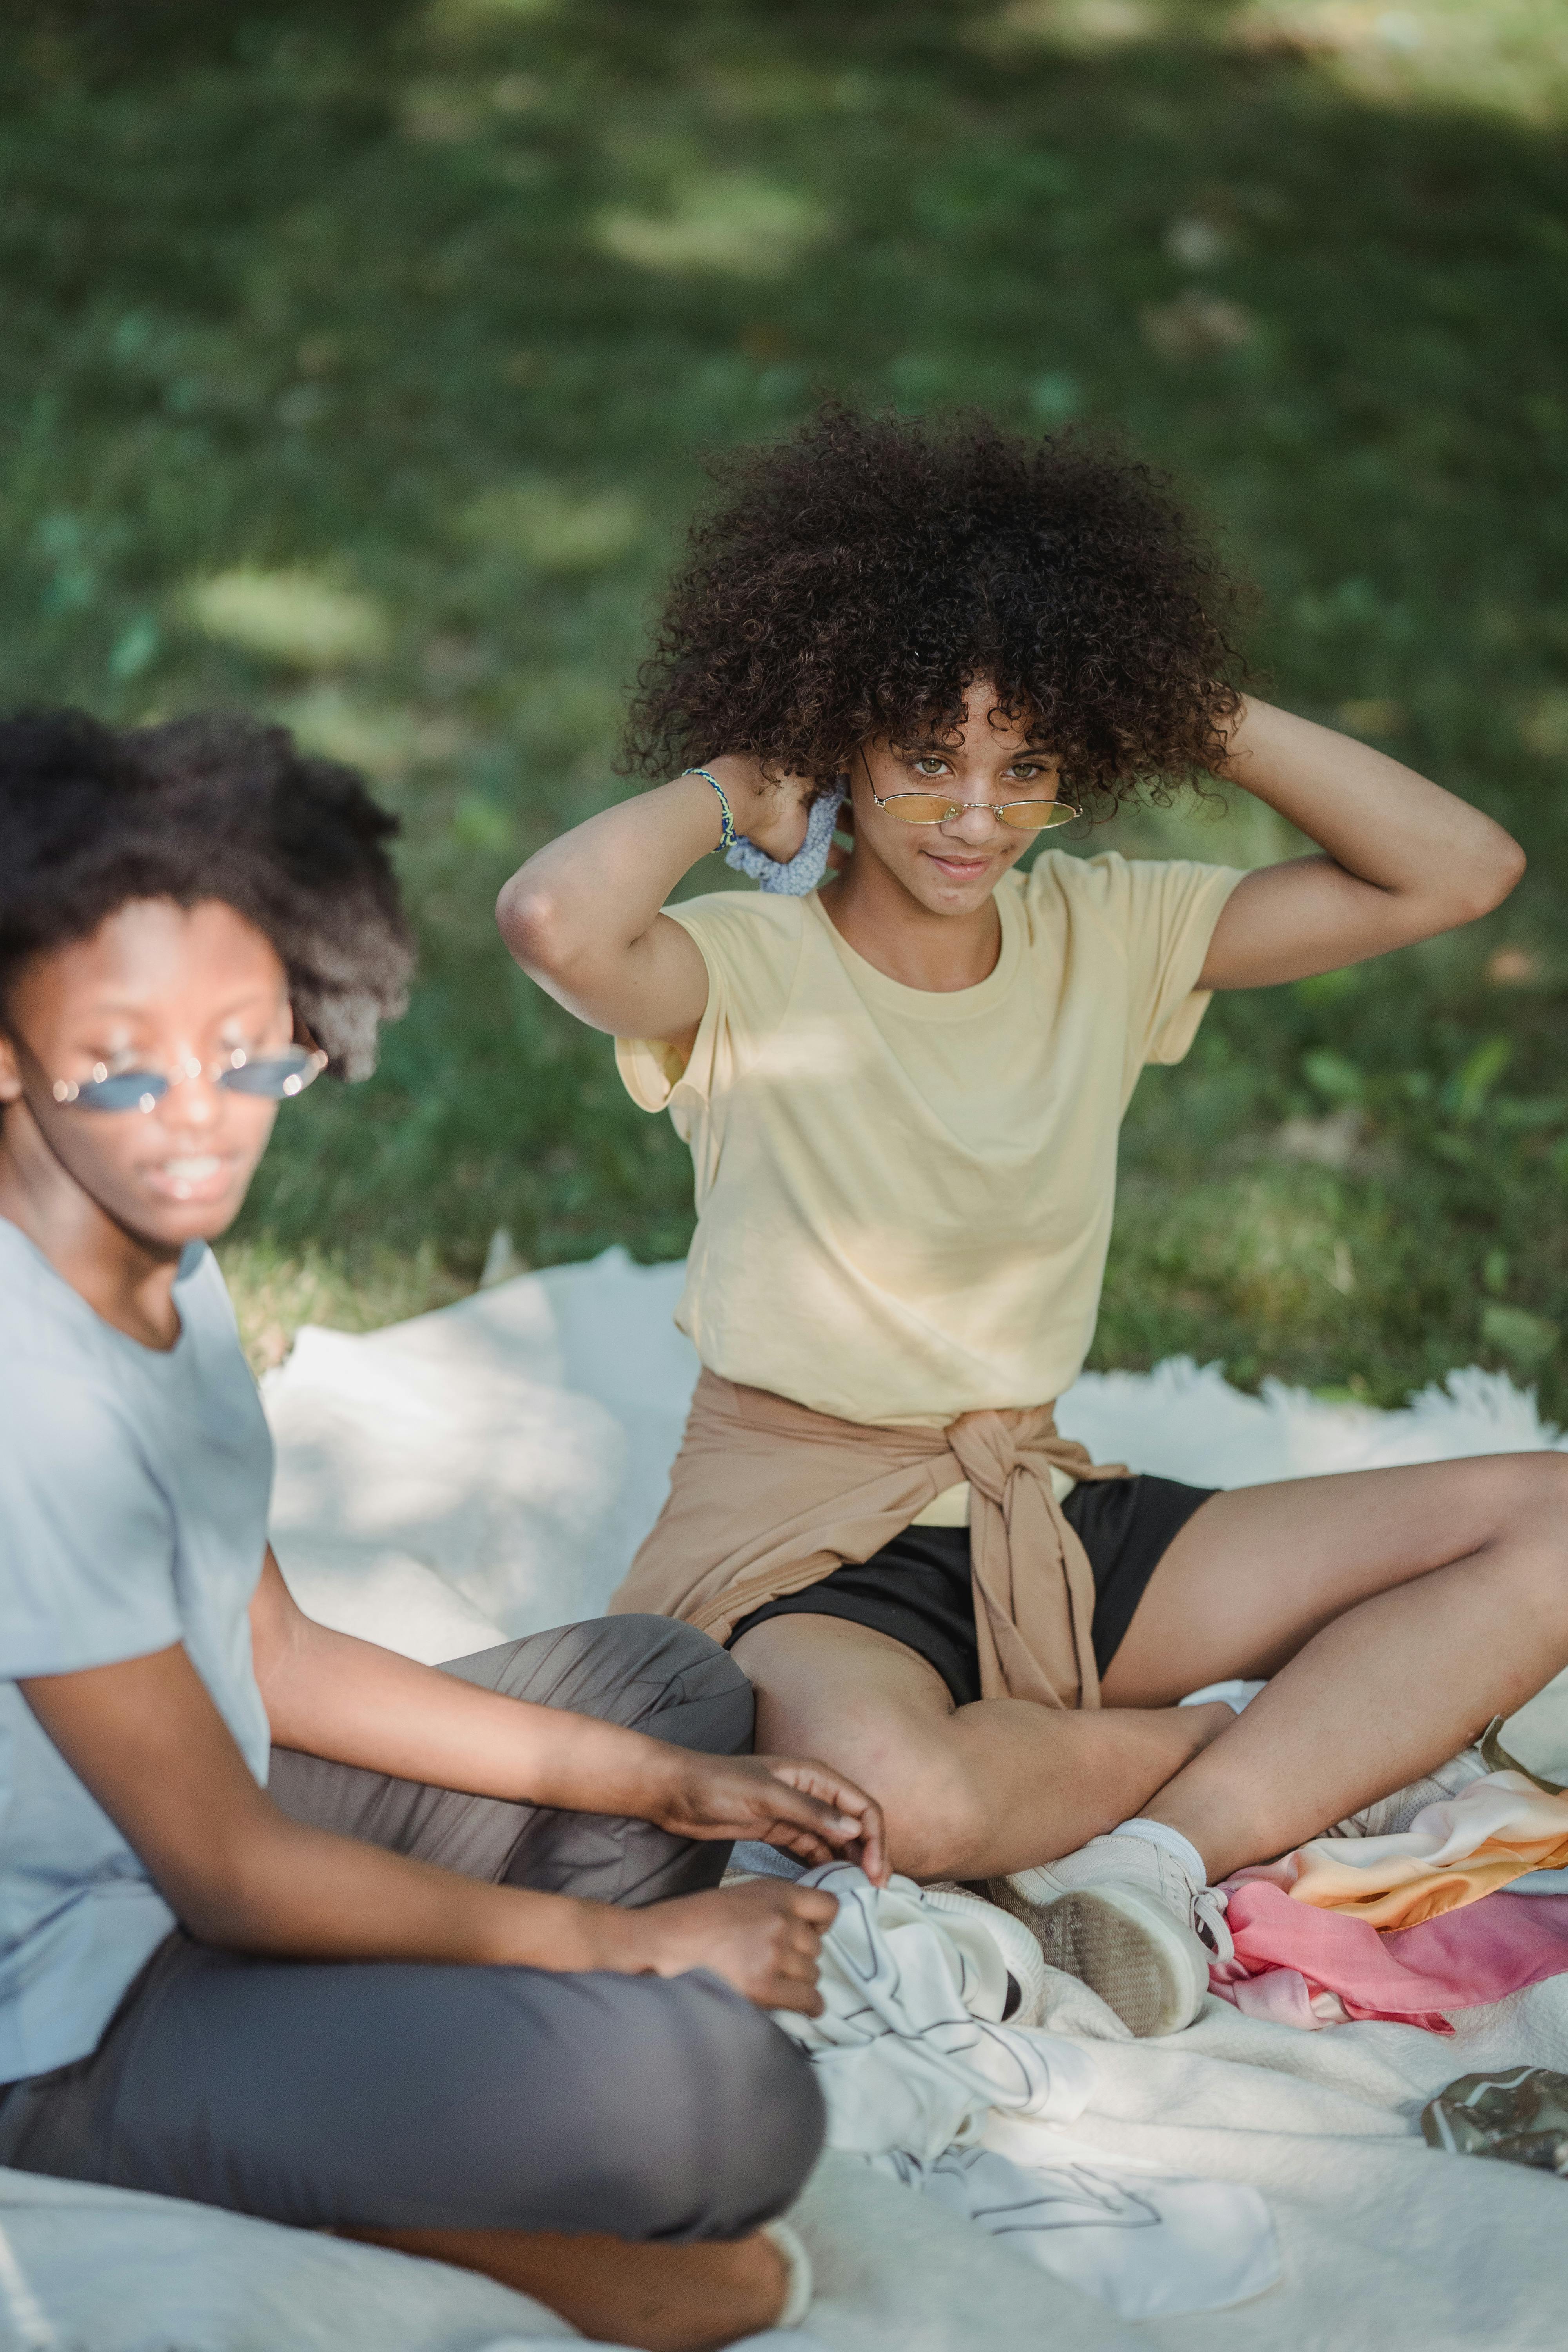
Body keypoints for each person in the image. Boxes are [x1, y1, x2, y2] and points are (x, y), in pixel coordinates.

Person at [499, 404, 1568, 2043]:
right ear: (842, 736)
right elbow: (552, 917)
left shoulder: (1105, 932)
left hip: (1040, 1514)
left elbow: (1459, 870)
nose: (975, 817)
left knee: (1552, 1517)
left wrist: (1174, 700)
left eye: (1030, 767)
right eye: (927, 756)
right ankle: (1296, 1747)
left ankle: (1156, 1855)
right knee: (892, 1810)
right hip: (803, 1543)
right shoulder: (745, 965)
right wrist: (737, 778)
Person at [0, 709, 889, 2352]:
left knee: (666, 1696)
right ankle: (275, 2148)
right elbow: (233, 1871)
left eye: (247, 1052)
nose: (200, 1119)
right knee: (720, 2112)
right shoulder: (27, 1398)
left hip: (193, 1845)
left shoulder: (153, 1249)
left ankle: (349, 2079)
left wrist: (666, 1787)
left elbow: (271, 1653)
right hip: (56, 2007)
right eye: (123, 1062)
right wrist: (625, 1954)